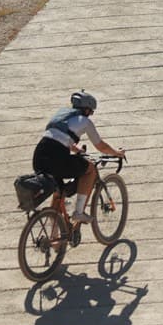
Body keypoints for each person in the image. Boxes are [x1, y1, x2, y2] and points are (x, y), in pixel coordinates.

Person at [32, 91, 126, 226]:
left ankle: (56, 239)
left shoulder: (61, 115)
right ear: (87, 110)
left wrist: (76, 150)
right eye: (91, 112)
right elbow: (101, 146)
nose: (91, 114)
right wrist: (117, 153)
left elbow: (58, 137)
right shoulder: (85, 121)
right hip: (57, 158)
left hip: (39, 156)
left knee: (59, 191)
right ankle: (79, 212)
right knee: (90, 170)